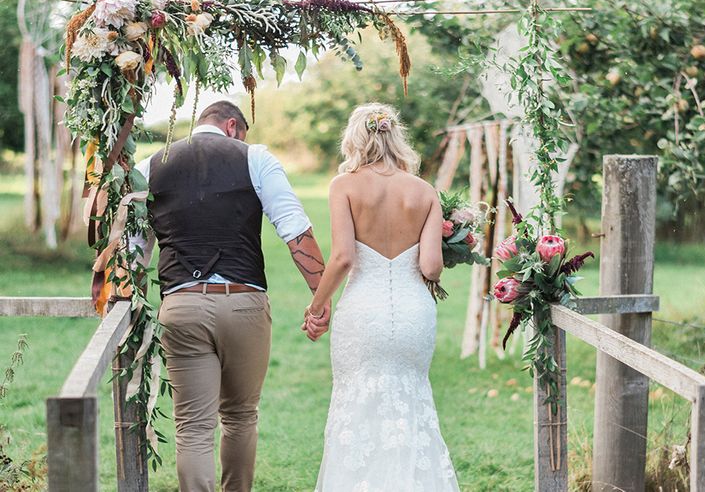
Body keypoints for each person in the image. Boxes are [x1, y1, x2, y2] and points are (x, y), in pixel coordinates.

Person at [134, 100, 330, 492]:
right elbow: (295, 230)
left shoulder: (150, 166)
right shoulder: (254, 157)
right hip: (244, 303)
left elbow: (134, 251)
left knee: (193, 426)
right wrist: (320, 299)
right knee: (240, 416)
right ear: (232, 127)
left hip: (181, 306)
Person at [304, 102, 460, 491]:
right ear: (396, 137)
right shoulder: (424, 192)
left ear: (355, 139)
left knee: (357, 405)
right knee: (412, 402)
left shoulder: (344, 185)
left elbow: (343, 257)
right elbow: (431, 268)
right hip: (412, 314)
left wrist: (317, 305)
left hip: (363, 312)